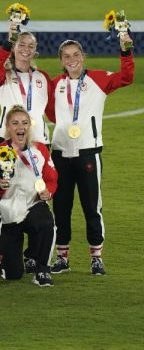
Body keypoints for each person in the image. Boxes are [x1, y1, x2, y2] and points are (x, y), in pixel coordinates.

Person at [48, 36, 135, 275]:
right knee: (61, 207)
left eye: (76, 54)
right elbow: (50, 113)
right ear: (61, 60)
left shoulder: (98, 78)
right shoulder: (56, 84)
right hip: (60, 154)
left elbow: (126, 78)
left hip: (88, 153)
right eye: (67, 56)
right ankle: (62, 257)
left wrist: (125, 50)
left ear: (83, 56)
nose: (72, 59)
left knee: (91, 207)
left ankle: (96, 257)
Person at [0, 105, 58, 286]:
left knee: (46, 222)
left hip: (32, 205)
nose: (21, 127)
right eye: (15, 123)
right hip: (7, 214)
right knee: (13, 274)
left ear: (29, 126)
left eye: (25, 123)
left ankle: (43, 269)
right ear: (8, 127)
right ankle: (5, 262)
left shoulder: (40, 150)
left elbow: (52, 179)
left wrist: (47, 192)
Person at [0, 26, 53, 144]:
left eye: (31, 46)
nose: (26, 49)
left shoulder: (43, 77)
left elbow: (52, 110)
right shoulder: (4, 75)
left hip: (38, 139)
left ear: (35, 51)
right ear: (14, 48)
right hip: (8, 139)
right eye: (22, 45)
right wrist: (8, 43)